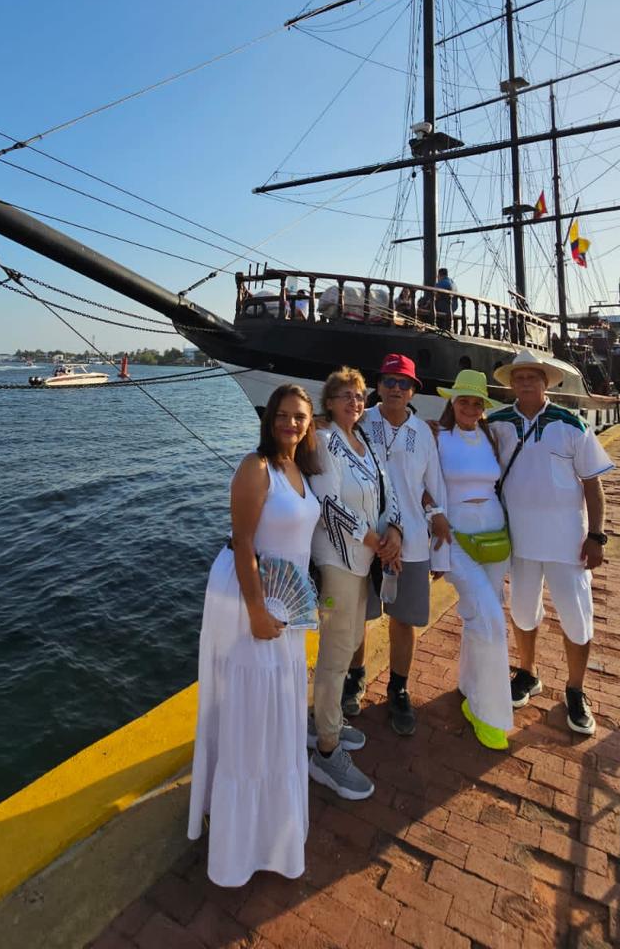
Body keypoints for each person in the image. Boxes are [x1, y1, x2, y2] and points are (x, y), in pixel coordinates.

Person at [188, 384, 322, 886]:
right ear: (269, 420)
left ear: (310, 423)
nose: (291, 423)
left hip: (286, 602)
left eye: (300, 417)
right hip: (252, 598)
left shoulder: (299, 468)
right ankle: (235, 840)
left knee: (276, 710)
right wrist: (256, 612)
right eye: (283, 416)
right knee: (250, 712)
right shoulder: (257, 467)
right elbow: (243, 542)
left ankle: (270, 829)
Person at [487, 349, 614, 736]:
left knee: (576, 616)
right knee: (523, 612)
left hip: (566, 542)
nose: (526, 382)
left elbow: (593, 485)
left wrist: (596, 536)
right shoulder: (497, 423)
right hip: (520, 541)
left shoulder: (570, 424)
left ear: (546, 381)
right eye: (519, 377)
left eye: (533, 376)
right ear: (511, 383)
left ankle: (575, 690)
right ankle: (528, 672)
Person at [308, 367, 402, 800]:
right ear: (329, 402)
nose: (354, 402)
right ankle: (326, 753)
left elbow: (389, 494)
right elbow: (328, 504)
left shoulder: (366, 446)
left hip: (365, 563)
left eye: (360, 396)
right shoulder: (325, 443)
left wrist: (393, 534)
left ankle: (323, 722)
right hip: (339, 562)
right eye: (345, 395)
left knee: (344, 649)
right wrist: (372, 538)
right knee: (334, 652)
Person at [352, 353, 445, 736]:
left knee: (404, 621)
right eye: (389, 381)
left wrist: (438, 523)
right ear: (378, 384)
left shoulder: (423, 432)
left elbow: (432, 485)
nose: (395, 389)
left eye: (403, 383)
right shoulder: (359, 420)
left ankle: (399, 686)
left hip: (411, 544)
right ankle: (354, 677)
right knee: (358, 615)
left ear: (412, 391)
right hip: (364, 537)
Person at [429, 370, 514, 749]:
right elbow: (418, 482)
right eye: (463, 401)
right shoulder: (436, 437)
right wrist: (434, 515)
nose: (469, 408)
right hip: (457, 537)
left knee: (483, 614)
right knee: (492, 622)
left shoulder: (492, 436)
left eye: (476, 402)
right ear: (452, 402)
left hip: (495, 540)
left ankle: (468, 685)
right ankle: (489, 712)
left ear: (483, 408)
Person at [434, 267, 458, 332]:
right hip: (453, 308)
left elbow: (434, 295)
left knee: (429, 306)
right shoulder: (453, 283)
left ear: (439, 275)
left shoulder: (441, 283)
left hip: (444, 308)